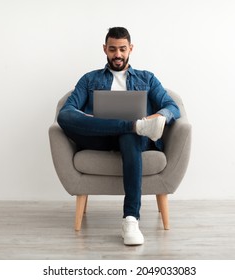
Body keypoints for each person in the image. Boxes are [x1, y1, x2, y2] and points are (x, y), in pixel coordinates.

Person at [57, 27, 180, 246]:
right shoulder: (89, 79)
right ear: (105, 49)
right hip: (99, 137)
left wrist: (156, 116)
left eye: (122, 49)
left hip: (132, 142)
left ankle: (131, 220)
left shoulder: (147, 78)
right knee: (65, 116)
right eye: (112, 49)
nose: (118, 55)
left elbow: (171, 106)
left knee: (129, 136)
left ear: (130, 48)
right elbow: (68, 110)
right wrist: (88, 117)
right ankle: (135, 126)